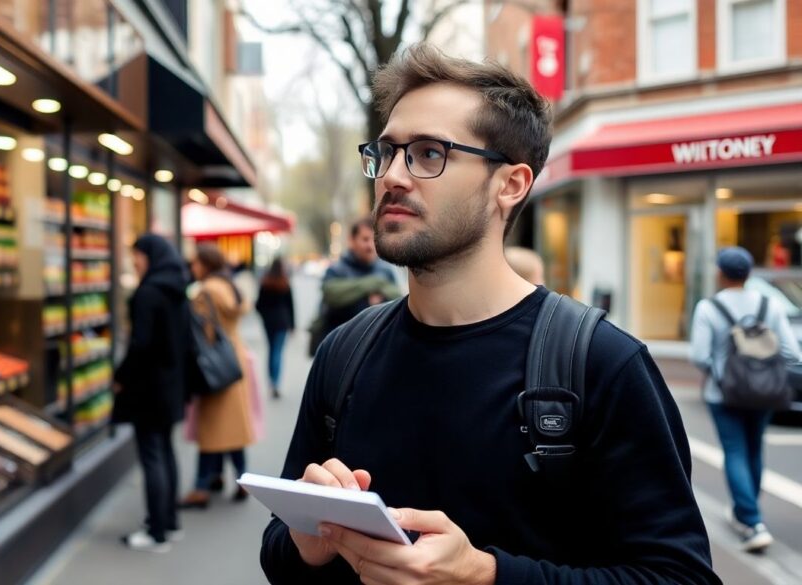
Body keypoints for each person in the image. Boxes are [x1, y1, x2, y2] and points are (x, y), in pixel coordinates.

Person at [260, 44, 718, 584]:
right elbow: (279, 550)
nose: (392, 176)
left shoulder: (601, 364)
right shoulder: (345, 352)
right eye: (386, 152)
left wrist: (485, 575)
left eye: (428, 153)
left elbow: (680, 576)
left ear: (510, 185)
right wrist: (307, 544)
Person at [689, 246, 801, 552]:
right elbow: (792, 352)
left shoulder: (709, 308)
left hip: (723, 394)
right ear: (749, 274)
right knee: (753, 449)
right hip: (764, 393)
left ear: (720, 273)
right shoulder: (769, 304)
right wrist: (763, 368)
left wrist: (723, 371)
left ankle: (751, 522)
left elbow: (699, 355)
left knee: (735, 451)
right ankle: (746, 510)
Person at [113, 234, 191, 553]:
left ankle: (156, 532)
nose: (134, 262)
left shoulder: (147, 293)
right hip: (172, 386)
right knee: (166, 452)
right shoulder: (176, 289)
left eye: (137, 255)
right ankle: (169, 523)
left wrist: (121, 376)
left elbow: (140, 344)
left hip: (148, 389)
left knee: (152, 456)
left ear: (150, 256)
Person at [181, 243, 255, 508]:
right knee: (231, 428)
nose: (192, 267)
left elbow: (205, 333)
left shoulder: (206, 292)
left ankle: (201, 487)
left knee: (211, 430)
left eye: (195, 263)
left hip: (214, 364)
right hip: (233, 359)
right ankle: (239, 480)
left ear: (206, 264)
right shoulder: (229, 285)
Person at [310, 218, 401, 354]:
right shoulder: (337, 270)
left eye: (374, 240)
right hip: (340, 348)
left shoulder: (386, 270)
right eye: (365, 239)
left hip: (377, 348)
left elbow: (399, 298)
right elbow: (331, 294)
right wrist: (373, 285)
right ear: (352, 241)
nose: (370, 246)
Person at [256, 258, 296, 399]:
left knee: (271, 350)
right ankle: (276, 383)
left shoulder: (265, 282)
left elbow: (258, 305)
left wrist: (265, 316)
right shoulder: (285, 283)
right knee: (277, 351)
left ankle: (271, 382)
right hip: (282, 321)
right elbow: (291, 306)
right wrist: (293, 325)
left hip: (269, 322)